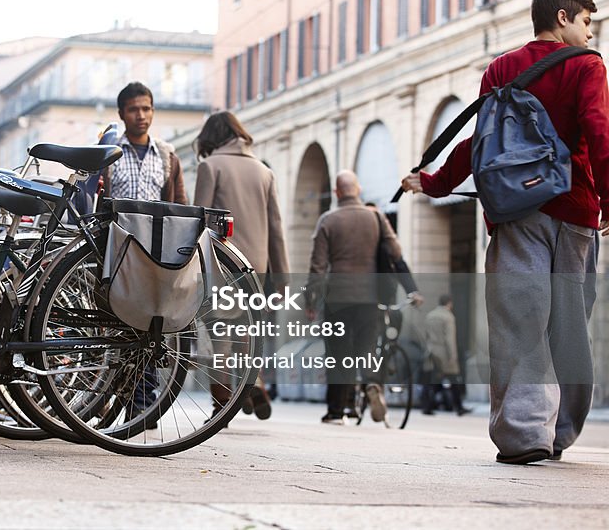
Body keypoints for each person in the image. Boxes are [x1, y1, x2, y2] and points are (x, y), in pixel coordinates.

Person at [402, 0, 609, 464]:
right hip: (574, 209)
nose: (589, 33)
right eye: (586, 23)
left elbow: (483, 139)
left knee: (520, 320)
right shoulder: (587, 65)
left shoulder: (501, 68)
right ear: (563, 18)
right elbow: (599, 131)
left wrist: (433, 182)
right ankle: (559, 431)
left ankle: (524, 434)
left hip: (516, 213)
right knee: (570, 324)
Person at [192, 111, 290, 420]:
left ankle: (220, 405)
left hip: (220, 262)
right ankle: (253, 382)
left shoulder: (211, 166)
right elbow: (276, 227)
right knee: (245, 331)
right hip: (255, 267)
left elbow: (198, 222)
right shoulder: (264, 172)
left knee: (219, 333)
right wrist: (284, 277)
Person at [101, 82, 187, 426]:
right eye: (135, 109)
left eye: (147, 108)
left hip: (155, 253)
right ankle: (127, 398)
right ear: (122, 113)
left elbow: (178, 204)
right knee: (118, 325)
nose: (142, 116)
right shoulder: (108, 151)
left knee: (151, 327)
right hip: (118, 250)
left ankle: (144, 402)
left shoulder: (166, 155)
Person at [306, 171, 413, 425]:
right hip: (370, 296)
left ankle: (336, 411)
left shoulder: (327, 221)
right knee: (365, 349)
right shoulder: (376, 216)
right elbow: (395, 251)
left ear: (337, 192)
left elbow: (318, 268)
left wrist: (311, 301)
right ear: (359, 189)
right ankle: (371, 383)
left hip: (338, 298)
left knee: (338, 354)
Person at [420, 295, 471, 416]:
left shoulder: (430, 315)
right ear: (449, 303)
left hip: (431, 351)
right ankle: (459, 407)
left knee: (433, 380)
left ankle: (427, 406)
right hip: (444, 352)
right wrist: (453, 355)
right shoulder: (448, 317)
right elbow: (450, 338)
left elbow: (425, 336)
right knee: (453, 380)